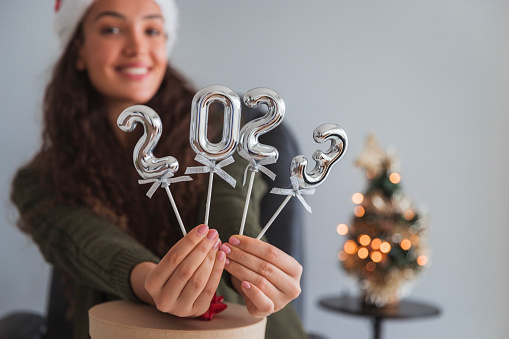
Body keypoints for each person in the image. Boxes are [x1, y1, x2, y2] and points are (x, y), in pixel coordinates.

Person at [11, 0, 307, 338]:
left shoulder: (220, 128)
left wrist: (252, 270)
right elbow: (94, 245)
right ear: (77, 49)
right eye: (112, 29)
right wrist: (151, 282)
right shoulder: (42, 180)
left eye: (152, 30)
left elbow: (230, 204)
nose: (137, 47)